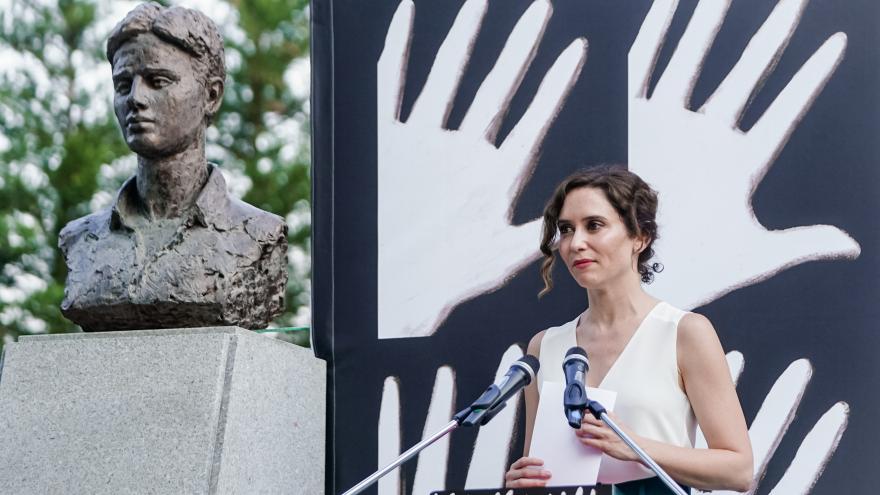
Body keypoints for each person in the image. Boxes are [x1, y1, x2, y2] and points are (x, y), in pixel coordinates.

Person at [504, 167, 753, 493]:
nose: (576, 242)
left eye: (594, 226)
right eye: (566, 229)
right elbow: (543, 477)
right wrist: (526, 484)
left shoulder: (684, 332)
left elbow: (739, 470)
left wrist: (635, 446)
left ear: (639, 237)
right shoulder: (544, 346)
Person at [59, 4, 287, 332]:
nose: (135, 98)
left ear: (211, 95)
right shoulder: (81, 240)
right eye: (123, 85)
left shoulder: (258, 237)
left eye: (158, 81)